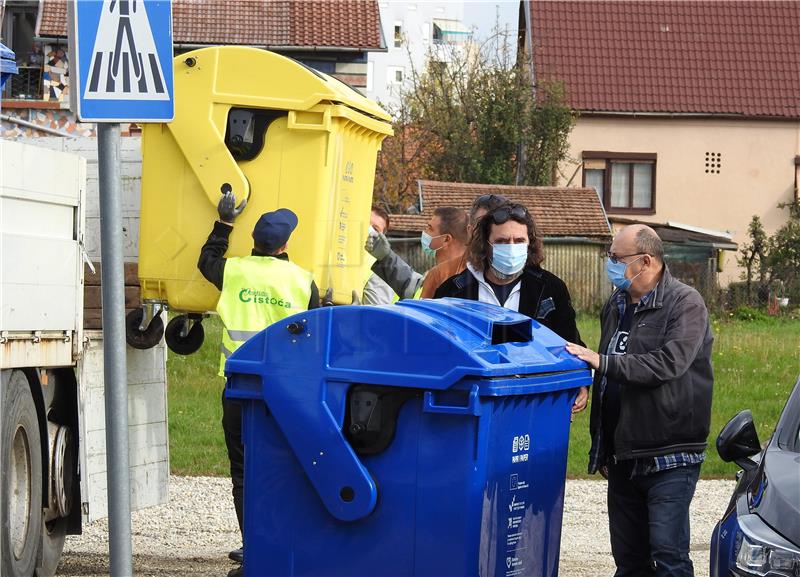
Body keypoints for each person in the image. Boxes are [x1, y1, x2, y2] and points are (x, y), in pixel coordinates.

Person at [565, 224, 713, 577]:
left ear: (645, 261)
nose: (610, 264)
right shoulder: (615, 304)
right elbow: (610, 373)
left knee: (667, 556)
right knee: (629, 561)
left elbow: (668, 364)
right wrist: (600, 441)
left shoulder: (685, 303)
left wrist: (600, 361)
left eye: (616, 257)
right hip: (622, 454)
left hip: (668, 455)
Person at [197, 190, 319, 577]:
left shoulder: (234, 272)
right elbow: (315, 334)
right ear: (285, 244)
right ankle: (286, 544)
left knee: (243, 470)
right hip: (285, 393)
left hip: (239, 388)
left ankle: (255, 548)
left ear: (255, 242)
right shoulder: (303, 281)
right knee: (285, 467)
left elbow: (207, 261)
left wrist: (224, 223)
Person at [434, 202, 588, 415]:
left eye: (519, 241)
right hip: (473, 401)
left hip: (534, 400)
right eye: (502, 241)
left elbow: (570, 343)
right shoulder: (453, 291)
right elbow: (440, 349)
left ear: (530, 244)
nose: (511, 247)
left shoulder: (551, 288)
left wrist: (581, 382)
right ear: (486, 245)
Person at [365, 194, 508, 299]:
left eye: (430, 228)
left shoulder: (524, 281)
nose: (424, 232)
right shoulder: (439, 275)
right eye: (481, 225)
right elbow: (413, 287)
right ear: (471, 230)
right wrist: (386, 258)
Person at [362, 205, 397, 304]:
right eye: (366, 223)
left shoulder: (381, 269)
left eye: (375, 229)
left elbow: (375, 314)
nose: (369, 229)